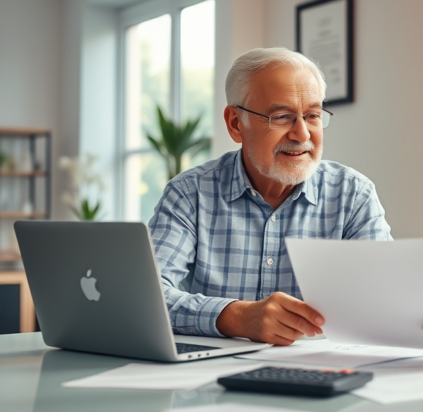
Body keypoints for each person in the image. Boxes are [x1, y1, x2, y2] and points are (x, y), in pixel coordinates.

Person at [149, 47, 392, 345]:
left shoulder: (353, 195)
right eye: (281, 116)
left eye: (313, 115)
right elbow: (147, 296)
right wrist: (237, 317)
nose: (302, 134)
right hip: (210, 378)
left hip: (321, 373)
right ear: (236, 124)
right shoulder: (189, 194)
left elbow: (385, 300)